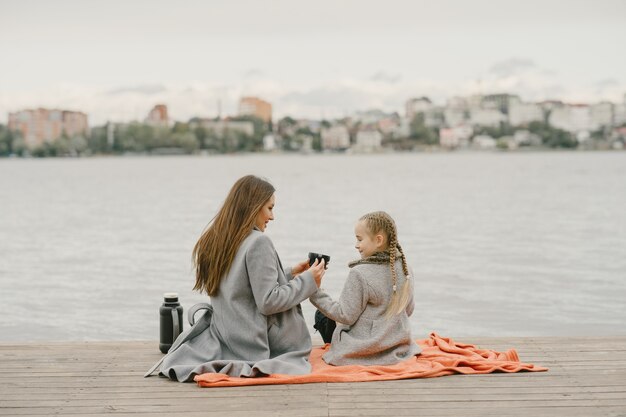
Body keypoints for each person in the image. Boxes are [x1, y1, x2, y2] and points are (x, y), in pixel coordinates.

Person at [146, 175, 326, 381]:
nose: (273, 216)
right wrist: (309, 281)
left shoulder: (216, 239)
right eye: (269, 208)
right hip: (254, 343)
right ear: (253, 206)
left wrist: (290, 273)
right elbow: (268, 302)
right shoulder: (259, 242)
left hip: (227, 335)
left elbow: (237, 285)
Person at [310, 211, 421, 366]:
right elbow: (408, 310)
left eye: (359, 239)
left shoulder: (359, 273)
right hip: (397, 345)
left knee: (321, 315)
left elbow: (345, 315)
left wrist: (314, 291)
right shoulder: (405, 268)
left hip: (363, 347)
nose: (356, 245)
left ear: (378, 240)